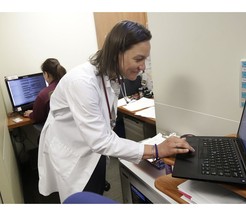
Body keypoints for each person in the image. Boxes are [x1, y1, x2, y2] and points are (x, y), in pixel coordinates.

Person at [38, 20, 194, 202]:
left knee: (95, 193)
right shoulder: (81, 82)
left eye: (145, 59)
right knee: (82, 200)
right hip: (72, 154)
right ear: (116, 53)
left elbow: (102, 133)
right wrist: (157, 150)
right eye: (138, 59)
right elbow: (101, 140)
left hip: (93, 149)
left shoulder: (110, 76)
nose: (143, 67)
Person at [24, 58, 66, 123]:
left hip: (53, 127)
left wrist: (31, 114)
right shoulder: (66, 85)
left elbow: (37, 117)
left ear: (46, 74)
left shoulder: (43, 94)